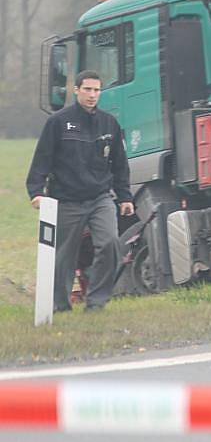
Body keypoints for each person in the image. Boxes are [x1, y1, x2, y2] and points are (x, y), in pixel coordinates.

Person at [26, 70, 134, 311]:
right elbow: (42, 158)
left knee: (110, 244)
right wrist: (36, 192)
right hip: (66, 199)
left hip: (100, 198)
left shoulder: (109, 123)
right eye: (87, 89)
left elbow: (119, 163)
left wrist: (125, 196)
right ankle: (60, 306)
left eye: (97, 90)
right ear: (76, 90)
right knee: (63, 256)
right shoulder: (58, 122)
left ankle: (96, 303)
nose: (92, 95)